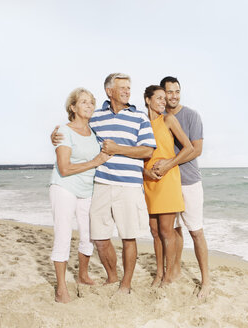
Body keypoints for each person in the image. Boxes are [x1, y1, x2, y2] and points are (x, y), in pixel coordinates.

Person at [52, 73, 156, 294]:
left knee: (128, 236)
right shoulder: (96, 118)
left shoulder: (139, 118)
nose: (127, 91)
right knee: (98, 237)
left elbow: (147, 150)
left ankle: (125, 285)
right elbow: (76, 129)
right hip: (100, 184)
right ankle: (112, 277)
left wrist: (118, 149)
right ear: (110, 91)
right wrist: (54, 135)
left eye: (129, 87)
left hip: (128, 186)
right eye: (122, 87)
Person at [49, 87, 111, 303]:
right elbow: (64, 168)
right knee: (63, 236)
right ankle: (61, 288)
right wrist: (95, 162)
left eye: (91, 102)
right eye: (83, 102)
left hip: (87, 190)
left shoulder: (93, 132)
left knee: (88, 236)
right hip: (64, 188)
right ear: (73, 107)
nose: (89, 106)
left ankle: (83, 276)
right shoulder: (64, 132)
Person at [156, 76, 210, 298]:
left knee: (195, 231)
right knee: (172, 231)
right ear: (163, 93)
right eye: (169, 92)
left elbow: (196, 150)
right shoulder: (158, 118)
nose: (174, 96)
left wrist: (169, 164)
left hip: (189, 182)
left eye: (177, 91)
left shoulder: (191, 116)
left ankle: (206, 281)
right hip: (167, 185)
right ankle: (174, 271)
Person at [142, 85, 193, 287]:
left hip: (168, 179)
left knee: (166, 230)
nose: (164, 102)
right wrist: (145, 172)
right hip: (149, 180)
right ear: (148, 100)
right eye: (159, 98)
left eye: (165, 98)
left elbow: (188, 148)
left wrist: (169, 164)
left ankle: (169, 274)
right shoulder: (142, 123)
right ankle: (158, 273)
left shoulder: (168, 120)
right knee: (154, 231)